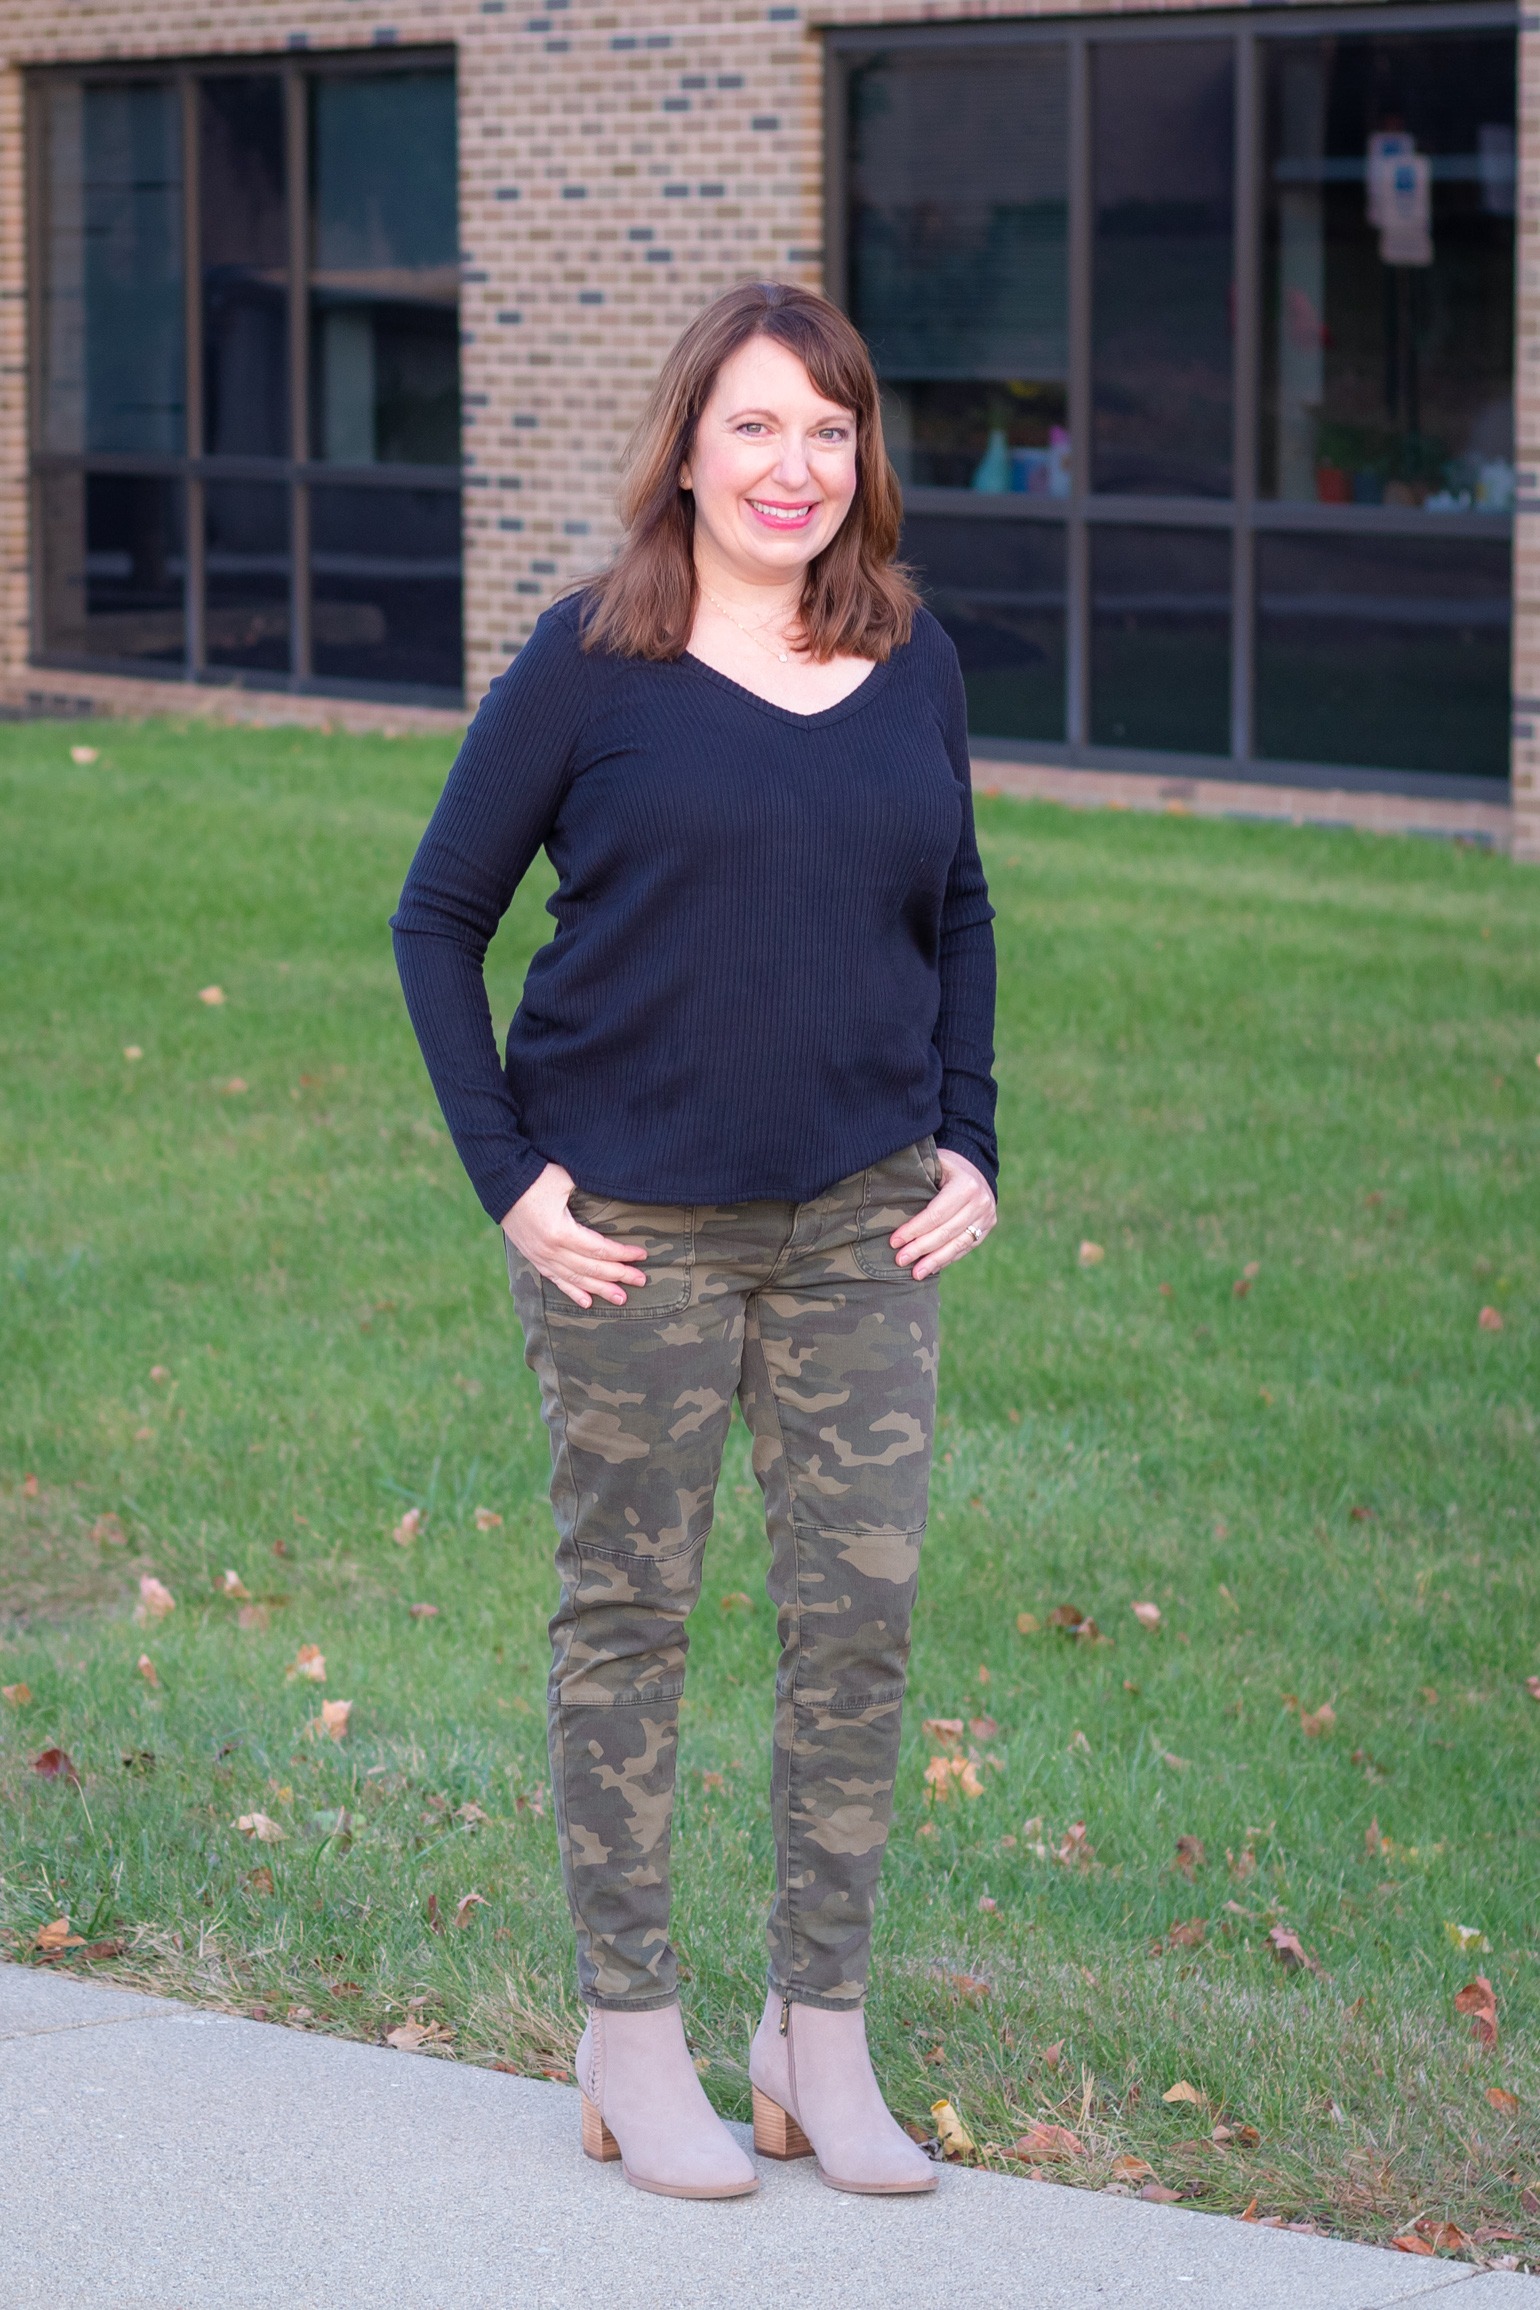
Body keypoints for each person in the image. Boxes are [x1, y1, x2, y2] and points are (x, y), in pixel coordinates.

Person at [393, 279, 998, 2201]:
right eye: (756, 425)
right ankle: (628, 2030)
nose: (794, 466)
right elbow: (438, 918)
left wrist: (967, 1135)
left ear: (861, 457)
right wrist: (512, 1176)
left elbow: (959, 903)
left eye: (829, 430)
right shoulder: (592, 663)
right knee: (631, 1625)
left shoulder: (911, 653)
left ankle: (816, 2034)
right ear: (686, 442)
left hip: (859, 1230)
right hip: (632, 1231)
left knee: (860, 1627)